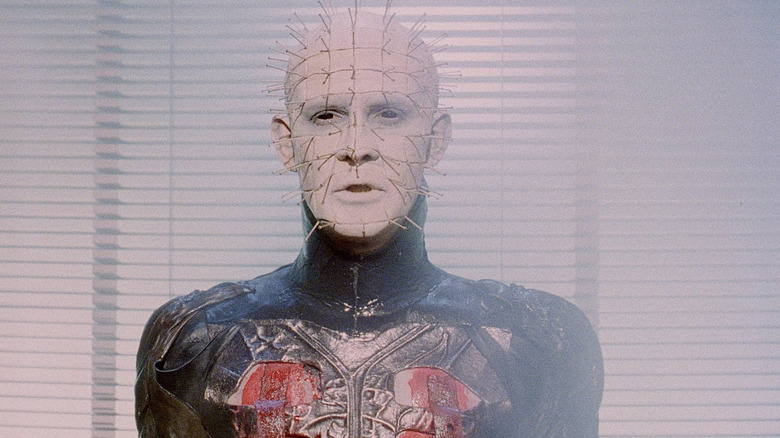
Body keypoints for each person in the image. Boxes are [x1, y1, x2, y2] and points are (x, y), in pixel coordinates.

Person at [135, 8, 603, 438]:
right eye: (326, 115)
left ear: (435, 140)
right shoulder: (194, 341)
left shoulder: (537, 342)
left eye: (389, 114)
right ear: (286, 143)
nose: (357, 147)